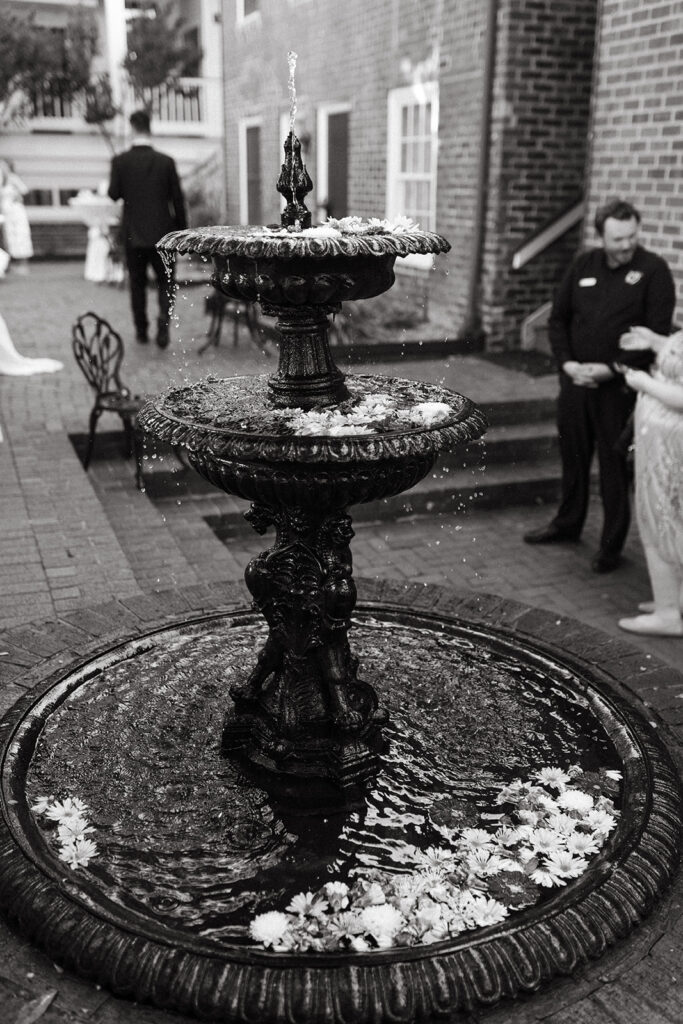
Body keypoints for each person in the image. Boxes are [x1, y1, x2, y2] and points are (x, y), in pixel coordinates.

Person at [523, 199, 676, 572]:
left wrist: (611, 369)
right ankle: (567, 524)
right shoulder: (583, 265)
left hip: (618, 388)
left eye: (632, 237)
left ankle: (611, 545)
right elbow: (557, 320)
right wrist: (568, 365)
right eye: (618, 238)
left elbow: (657, 337)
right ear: (601, 236)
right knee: (573, 457)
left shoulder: (654, 271)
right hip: (575, 383)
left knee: (612, 465)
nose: (626, 245)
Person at [616, 326, 683, 636]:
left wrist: (646, 383)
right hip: (660, 445)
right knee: (660, 519)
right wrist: (657, 342)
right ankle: (670, 600)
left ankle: (669, 613)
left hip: (671, 451)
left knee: (662, 522)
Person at [108, 110, 186, 347]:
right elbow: (178, 201)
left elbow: (113, 194)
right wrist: (182, 234)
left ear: (132, 129)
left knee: (137, 284)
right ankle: (163, 326)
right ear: (149, 128)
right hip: (164, 236)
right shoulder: (166, 162)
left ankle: (141, 330)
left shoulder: (121, 161)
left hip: (134, 236)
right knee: (166, 282)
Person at [0, 159, 34, 273]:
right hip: (6, 214)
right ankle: (11, 264)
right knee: (10, 238)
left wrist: (16, 196)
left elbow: (24, 190)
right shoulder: (2, 180)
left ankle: (23, 264)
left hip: (16, 212)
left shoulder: (13, 178)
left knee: (21, 235)